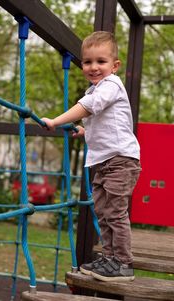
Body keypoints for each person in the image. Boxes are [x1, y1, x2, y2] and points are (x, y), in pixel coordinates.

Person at [41, 31, 141, 282]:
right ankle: (110, 258)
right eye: (87, 62)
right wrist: (86, 130)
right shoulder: (95, 89)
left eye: (101, 61)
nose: (93, 67)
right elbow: (103, 120)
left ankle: (123, 263)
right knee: (103, 211)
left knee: (115, 212)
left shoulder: (111, 85)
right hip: (104, 162)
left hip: (120, 161)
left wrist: (56, 120)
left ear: (115, 65)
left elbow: (88, 107)